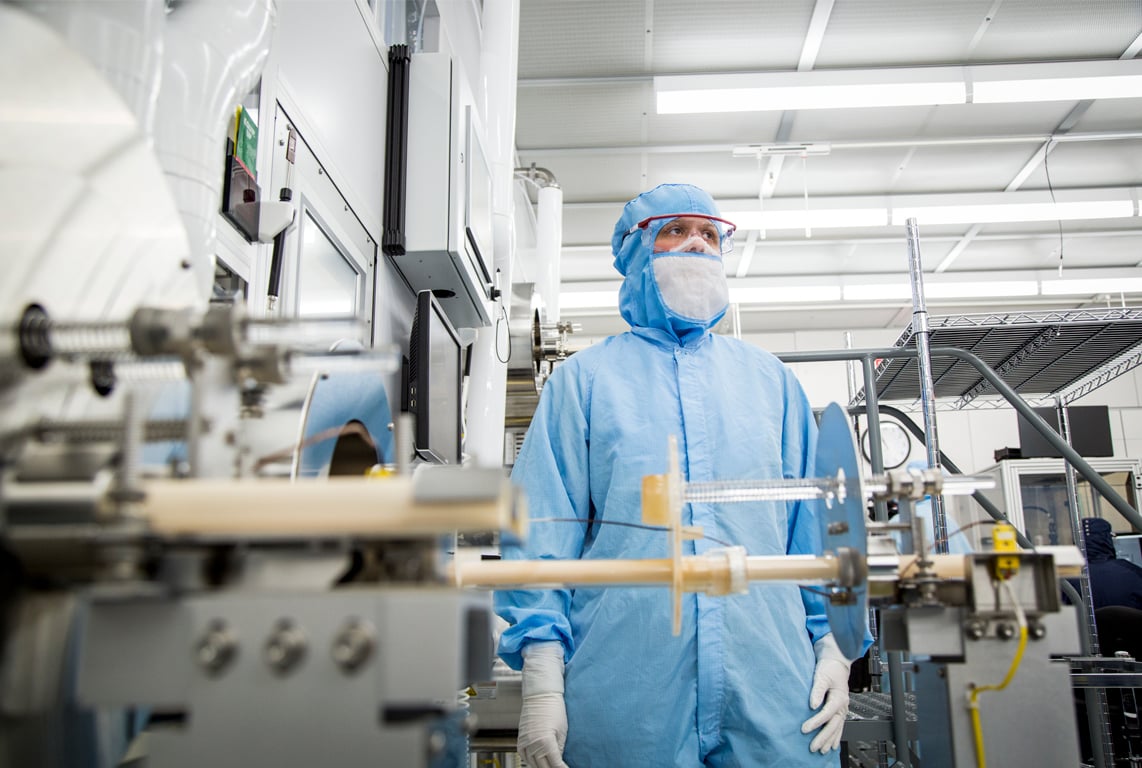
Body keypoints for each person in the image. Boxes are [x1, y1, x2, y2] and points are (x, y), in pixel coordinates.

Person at [494, 183, 869, 767]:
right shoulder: (585, 383)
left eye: (710, 234)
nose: (696, 244)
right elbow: (540, 531)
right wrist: (543, 680)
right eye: (675, 230)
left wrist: (835, 648)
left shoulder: (772, 384)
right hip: (629, 691)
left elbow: (817, 530)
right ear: (636, 251)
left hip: (771, 684)